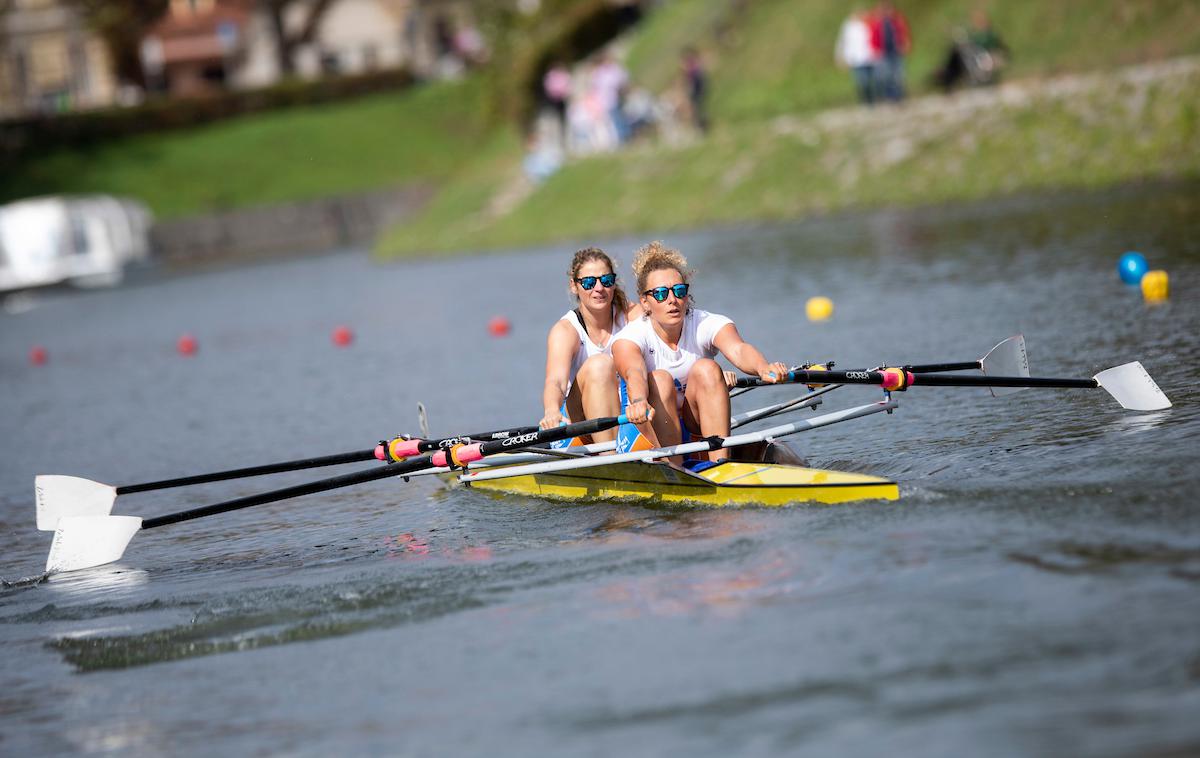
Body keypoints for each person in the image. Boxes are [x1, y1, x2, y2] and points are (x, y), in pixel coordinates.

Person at [612, 241, 789, 466]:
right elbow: (634, 372)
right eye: (660, 294)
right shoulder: (628, 339)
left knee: (707, 369)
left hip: (691, 428)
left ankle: (721, 466)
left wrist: (764, 368)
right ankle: (674, 467)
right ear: (645, 302)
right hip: (644, 432)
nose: (672, 300)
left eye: (678, 291)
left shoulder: (704, 322)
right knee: (660, 379)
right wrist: (638, 401)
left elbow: (738, 348)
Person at [540, 247, 640, 445]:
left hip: (628, 411)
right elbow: (556, 382)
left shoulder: (632, 315)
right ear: (574, 286)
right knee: (600, 365)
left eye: (606, 280)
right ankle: (610, 456)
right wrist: (551, 411)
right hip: (580, 422)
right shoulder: (565, 330)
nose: (599, 288)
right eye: (588, 282)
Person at [932, 9, 1010, 92]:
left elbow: (999, 49)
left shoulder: (990, 35)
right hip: (976, 59)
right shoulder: (976, 35)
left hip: (984, 59)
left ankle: (947, 73)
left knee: (957, 53)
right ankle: (947, 73)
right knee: (956, 52)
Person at [835, 8, 879, 105]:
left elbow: (875, 38)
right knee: (862, 81)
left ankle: (873, 100)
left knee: (873, 81)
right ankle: (866, 101)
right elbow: (842, 43)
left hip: (870, 57)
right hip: (856, 59)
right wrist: (841, 58)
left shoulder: (867, 25)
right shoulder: (848, 28)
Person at [870, 0, 911, 102]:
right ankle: (889, 96)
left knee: (898, 75)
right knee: (886, 76)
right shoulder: (877, 23)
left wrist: (905, 44)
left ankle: (899, 96)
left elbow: (904, 33)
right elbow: (873, 37)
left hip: (896, 52)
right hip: (883, 53)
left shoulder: (897, 21)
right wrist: (875, 50)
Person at [680, 47, 709, 132]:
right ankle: (700, 125)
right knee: (696, 109)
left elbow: (694, 80)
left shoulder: (693, 68)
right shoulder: (693, 67)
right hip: (696, 89)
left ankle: (701, 126)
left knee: (697, 108)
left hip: (696, 89)